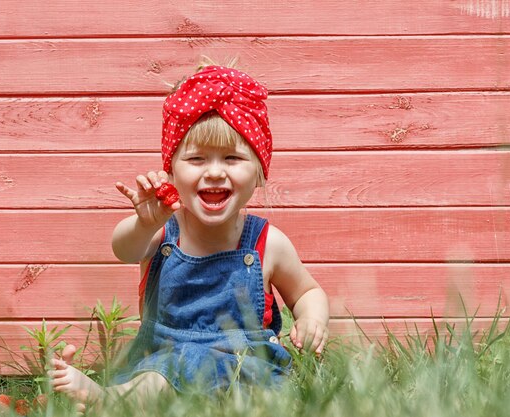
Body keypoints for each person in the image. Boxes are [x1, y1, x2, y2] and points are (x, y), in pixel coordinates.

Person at [50, 60, 329, 409]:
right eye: (196, 158)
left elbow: (306, 291)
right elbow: (125, 249)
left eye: (231, 158)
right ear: (171, 169)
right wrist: (145, 223)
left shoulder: (267, 243)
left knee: (259, 395)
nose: (214, 172)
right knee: (160, 377)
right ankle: (108, 401)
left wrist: (311, 319)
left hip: (245, 365)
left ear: (259, 171)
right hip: (166, 359)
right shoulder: (162, 232)